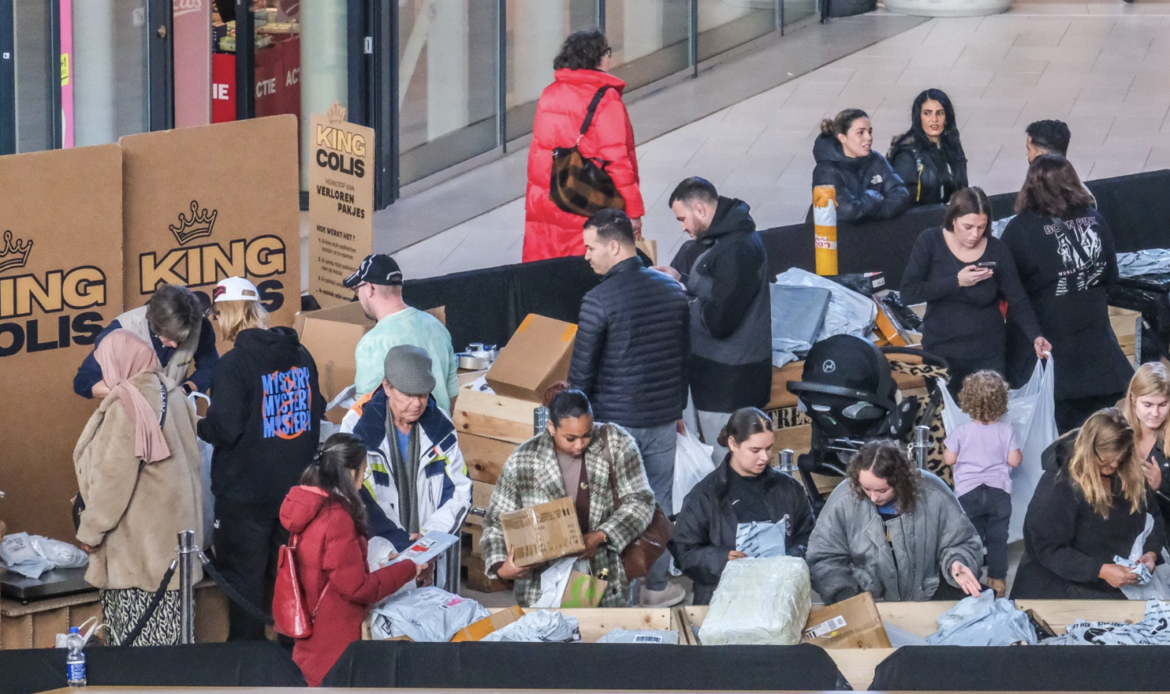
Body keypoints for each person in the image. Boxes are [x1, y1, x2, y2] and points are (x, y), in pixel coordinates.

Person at [568, 208, 689, 606]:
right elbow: (681, 359)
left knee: (605, 512)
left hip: (613, 427)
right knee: (658, 505)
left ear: (614, 246)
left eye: (591, 247)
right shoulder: (673, 291)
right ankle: (654, 588)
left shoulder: (597, 301)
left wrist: (573, 432)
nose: (586, 255)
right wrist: (675, 411)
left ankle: (601, 597)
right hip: (661, 422)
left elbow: (581, 377)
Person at [197, 277, 326, 641]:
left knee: (245, 589)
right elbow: (317, 410)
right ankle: (291, 661)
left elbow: (225, 429)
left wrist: (197, 424)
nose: (216, 324)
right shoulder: (301, 354)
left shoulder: (234, 365)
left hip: (245, 499)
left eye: (217, 315)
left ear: (228, 314)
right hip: (295, 493)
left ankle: (247, 667)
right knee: (291, 586)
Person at [73, 330, 203, 646]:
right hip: (175, 549)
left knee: (137, 654)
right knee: (175, 647)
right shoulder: (175, 396)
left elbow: (113, 481)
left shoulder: (125, 407)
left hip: (138, 556)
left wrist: (90, 532)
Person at [481, 389, 656, 607]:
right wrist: (501, 565)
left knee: (599, 635)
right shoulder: (524, 460)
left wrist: (602, 535)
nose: (580, 445)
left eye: (587, 435)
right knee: (549, 636)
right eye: (570, 438)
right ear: (552, 427)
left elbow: (641, 500)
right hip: (543, 583)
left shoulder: (616, 443)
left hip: (603, 572)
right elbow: (496, 521)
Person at [279, 433, 427, 687]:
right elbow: (357, 588)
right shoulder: (337, 519)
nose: (362, 482)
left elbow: (332, 570)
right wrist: (408, 567)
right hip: (335, 642)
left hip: (312, 635)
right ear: (349, 474)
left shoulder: (309, 507)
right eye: (363, 473)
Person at [1001, 155, 1132, 433]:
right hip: (1101, 360)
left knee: (1061, 447)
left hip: (1053, 363)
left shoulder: (1020, 229)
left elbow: (1010, 289)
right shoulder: (1095, 220)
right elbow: (1111, 276)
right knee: (1100, 441)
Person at [660, 177, 770, 463]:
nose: (682, 227)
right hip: (721, 380)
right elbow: (719, 293)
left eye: (682, 218)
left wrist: (678, 296)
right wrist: (680, 280)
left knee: (732, 471)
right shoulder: (729, 241)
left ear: (699, 208)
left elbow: (719, 320)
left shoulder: (737, 249)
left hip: (729, 385)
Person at [900, 187, 1050, 395]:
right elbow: (909, 292)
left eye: (981, 227)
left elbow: (1017, 298)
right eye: (968, 227)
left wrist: (1035, 335)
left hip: (988, 353)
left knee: (989, 417)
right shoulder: (930, 241)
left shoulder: (997, 249)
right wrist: (956, 281)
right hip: (942, 351)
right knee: (947, 418)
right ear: (953, 219)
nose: (974, 235)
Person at [1011, 409, 1165, 599]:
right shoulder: (1059, 484)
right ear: (1088, 450)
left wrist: (1151, 553)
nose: (1114, 467)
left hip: (1118, 585)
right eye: (1105, 462)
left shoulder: (1128, 472)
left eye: (1120, 459)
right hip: (1061, 587)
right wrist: (1100, 570)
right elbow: (1045, 548)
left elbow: (1154, 517)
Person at [806, 440, 984, 603]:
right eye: (866, 489)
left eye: (882, 490)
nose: (874, 497)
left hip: (928, 597)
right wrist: (844, 596)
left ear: (901, 482)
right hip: (865, 599)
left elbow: (963, 541)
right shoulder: (843, 500)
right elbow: (823, 557)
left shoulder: (934, 494)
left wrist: (958, 562)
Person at [669, 408, 816, 605]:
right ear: (733, 444)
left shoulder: (789, 488)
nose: (764, 457)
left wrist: (790, 558)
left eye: (769, 448)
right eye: (755, 450)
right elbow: (683, 552)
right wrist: (722, 559)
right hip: (722, 599)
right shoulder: (704, 495)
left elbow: (811, 536)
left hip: (780, 594)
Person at [522, 28, 644, 262]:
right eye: (607, 52)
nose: (610, 57)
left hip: (548, 201)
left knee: (548, 274)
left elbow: (541, 155)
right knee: (588, 273)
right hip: (586, 202)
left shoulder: (549, 94)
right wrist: (634, 211)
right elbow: (617, 160)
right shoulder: (605, 99)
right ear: (596, 58)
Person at [341, 345, 471, 552]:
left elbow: (459, 490)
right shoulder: (357, 426)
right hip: (382, 553)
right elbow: (359, 496)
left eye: (423, 394)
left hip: (431, 551)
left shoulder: (441, 425)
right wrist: (403, 547)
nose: (417, 403)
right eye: (408, 394)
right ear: (387, 386)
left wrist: (428, 544)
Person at [346, 254, 459, 414]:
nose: (358, 296)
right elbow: (452, 396)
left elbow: (365, 409)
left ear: (370, 288)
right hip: (441, 434)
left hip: (399, 439)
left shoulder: (372, 343)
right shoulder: (437, 327)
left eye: (357, 289)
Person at [943, 371, 1022, 597]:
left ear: (966, 401)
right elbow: (1014, 460)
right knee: (998, 540)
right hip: (999, 493)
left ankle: (972, 581)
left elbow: (949, 459)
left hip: (968, 494)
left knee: (971, 539)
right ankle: (997, 582)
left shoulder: (961, 432)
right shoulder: (1006, 430)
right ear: (1002, 402)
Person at [75, 283, 218, 399]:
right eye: (169, 338)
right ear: (154, 324)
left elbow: (210, 367)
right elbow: (84, 381)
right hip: (130, 419)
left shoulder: (199, 325)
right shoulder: (122, 331)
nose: (175, 346)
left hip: (176, 414)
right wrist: (131, 396)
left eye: (181, 340)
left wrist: (185, 390)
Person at [812, 108, 911, 223]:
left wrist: (868, 213)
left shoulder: (875, 159)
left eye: (870, 131)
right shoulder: (825, 171)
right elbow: (849, 212)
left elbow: (902, 195)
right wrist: (873, 198)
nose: (868, 137)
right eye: (860, 133)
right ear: (842, 138)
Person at [888, 89, 969, 207]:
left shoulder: (952, 147)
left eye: (940, 113)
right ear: (919, 117)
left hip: (950, 219)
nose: (934, 119)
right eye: (927, 113)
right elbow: (901, 203)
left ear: (946, 118)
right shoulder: (906, 154)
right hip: (921, 221)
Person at [1122, 362, 1170, 521]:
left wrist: (1161, 485)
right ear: (1133, 399)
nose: (1155, 413)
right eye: (1148, 405)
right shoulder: (1116, 431)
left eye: (1163, 404)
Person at [1025, 119, 1095, 208]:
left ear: (1040, 155)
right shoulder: (1082, 195)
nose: (1026, 154)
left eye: (1029, 149)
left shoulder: (1041, 196)